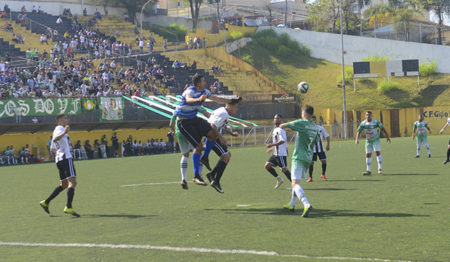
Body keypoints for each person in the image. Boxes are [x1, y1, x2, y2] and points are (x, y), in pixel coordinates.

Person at [174, 74, 238, 186]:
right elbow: (188, 99)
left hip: (193, 119)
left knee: (213, 134)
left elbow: (217, 99)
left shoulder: (205, 91)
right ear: (198, 83)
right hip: (184, 122)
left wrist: (232, 100)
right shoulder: (190, 91)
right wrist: (199, 99)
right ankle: (196, 176)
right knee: (198, 146)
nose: (205, 82)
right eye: (203, 81)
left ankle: (205, 158)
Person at [279, 105, 318, 217]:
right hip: (308, 156)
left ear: (304, 113)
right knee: (296, 182)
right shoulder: (315, 126)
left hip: (299, 156)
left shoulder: (302, 123)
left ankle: (306, 204)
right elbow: (315, 141)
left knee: (295, 183)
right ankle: (291, 204)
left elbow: (284, 125)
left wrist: (280, 127)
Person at [40, 113, 80, 217]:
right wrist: (64, 133)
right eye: (65, 118)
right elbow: (55, 139)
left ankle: (46, 202)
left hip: (60, 159)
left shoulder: (57, 130)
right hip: (66, 159)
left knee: (64, 185)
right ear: (60, 121)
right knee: (73, 182)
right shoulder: (60, 129)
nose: (68, 119)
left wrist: (61, 150)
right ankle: (69, 206)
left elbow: (52, 148)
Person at [203, 100, 241, 193]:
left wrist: (231, 133)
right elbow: (212, 125)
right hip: (212, 137)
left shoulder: (224, 112)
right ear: (229, 106)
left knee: (228, 155)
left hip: (214, 136)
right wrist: (221, 137)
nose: (236, 109)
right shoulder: (223, 113)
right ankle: (216, 181)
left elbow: (223, 125)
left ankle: (211, 175)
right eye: (235, 107)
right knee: (225, 156)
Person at [355, 111, 391, 175]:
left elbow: (382, 128)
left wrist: (387, 137)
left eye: (369, 115)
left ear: (372, 116)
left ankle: (380, 169)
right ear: (365, 116)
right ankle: (368, 170)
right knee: (368, 154)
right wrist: (357, 139)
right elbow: (358, 131)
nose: (368, 116)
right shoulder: (363, 123)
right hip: (368, 141)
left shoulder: (376, 122)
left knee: (377, 153)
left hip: (375, 140)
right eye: (367, 115)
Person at [264, 114, 291, 189]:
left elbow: (282, 141)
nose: (275, 119)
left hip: (281, 154)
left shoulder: (280, 130)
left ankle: (294, 185)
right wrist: (272, 148)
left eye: (277, 118)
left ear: (281, 120)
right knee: (267, 165)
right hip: (276, 153)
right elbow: (277, 142)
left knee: (284, 169)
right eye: (275, 118)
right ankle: (279, 179)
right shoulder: (275, 129)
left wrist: (271, 145)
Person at [308, 115, 330, 182]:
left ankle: (323, 174)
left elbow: (327, 136)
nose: (313, 121)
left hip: (321, 149)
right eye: (312, 120)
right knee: (311, 163)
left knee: (324, 161)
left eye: (314, 119)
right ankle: (310, 177)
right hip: (312, 149)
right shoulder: (308, 129)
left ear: (316, 120)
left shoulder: (320, 128)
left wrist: (328, 145)